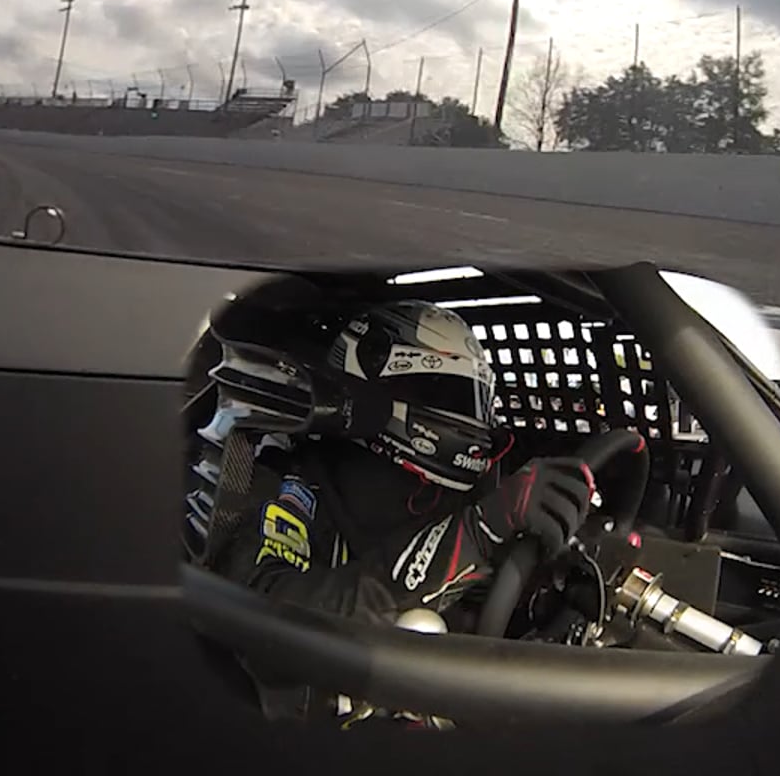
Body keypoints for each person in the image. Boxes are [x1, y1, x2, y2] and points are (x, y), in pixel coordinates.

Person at [205, 298, 597, 723]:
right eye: (446, 393)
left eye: (474, 399)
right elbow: (269, 625)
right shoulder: (291, 484)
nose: (468, 416)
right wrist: (477, 532)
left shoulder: (457, 493)